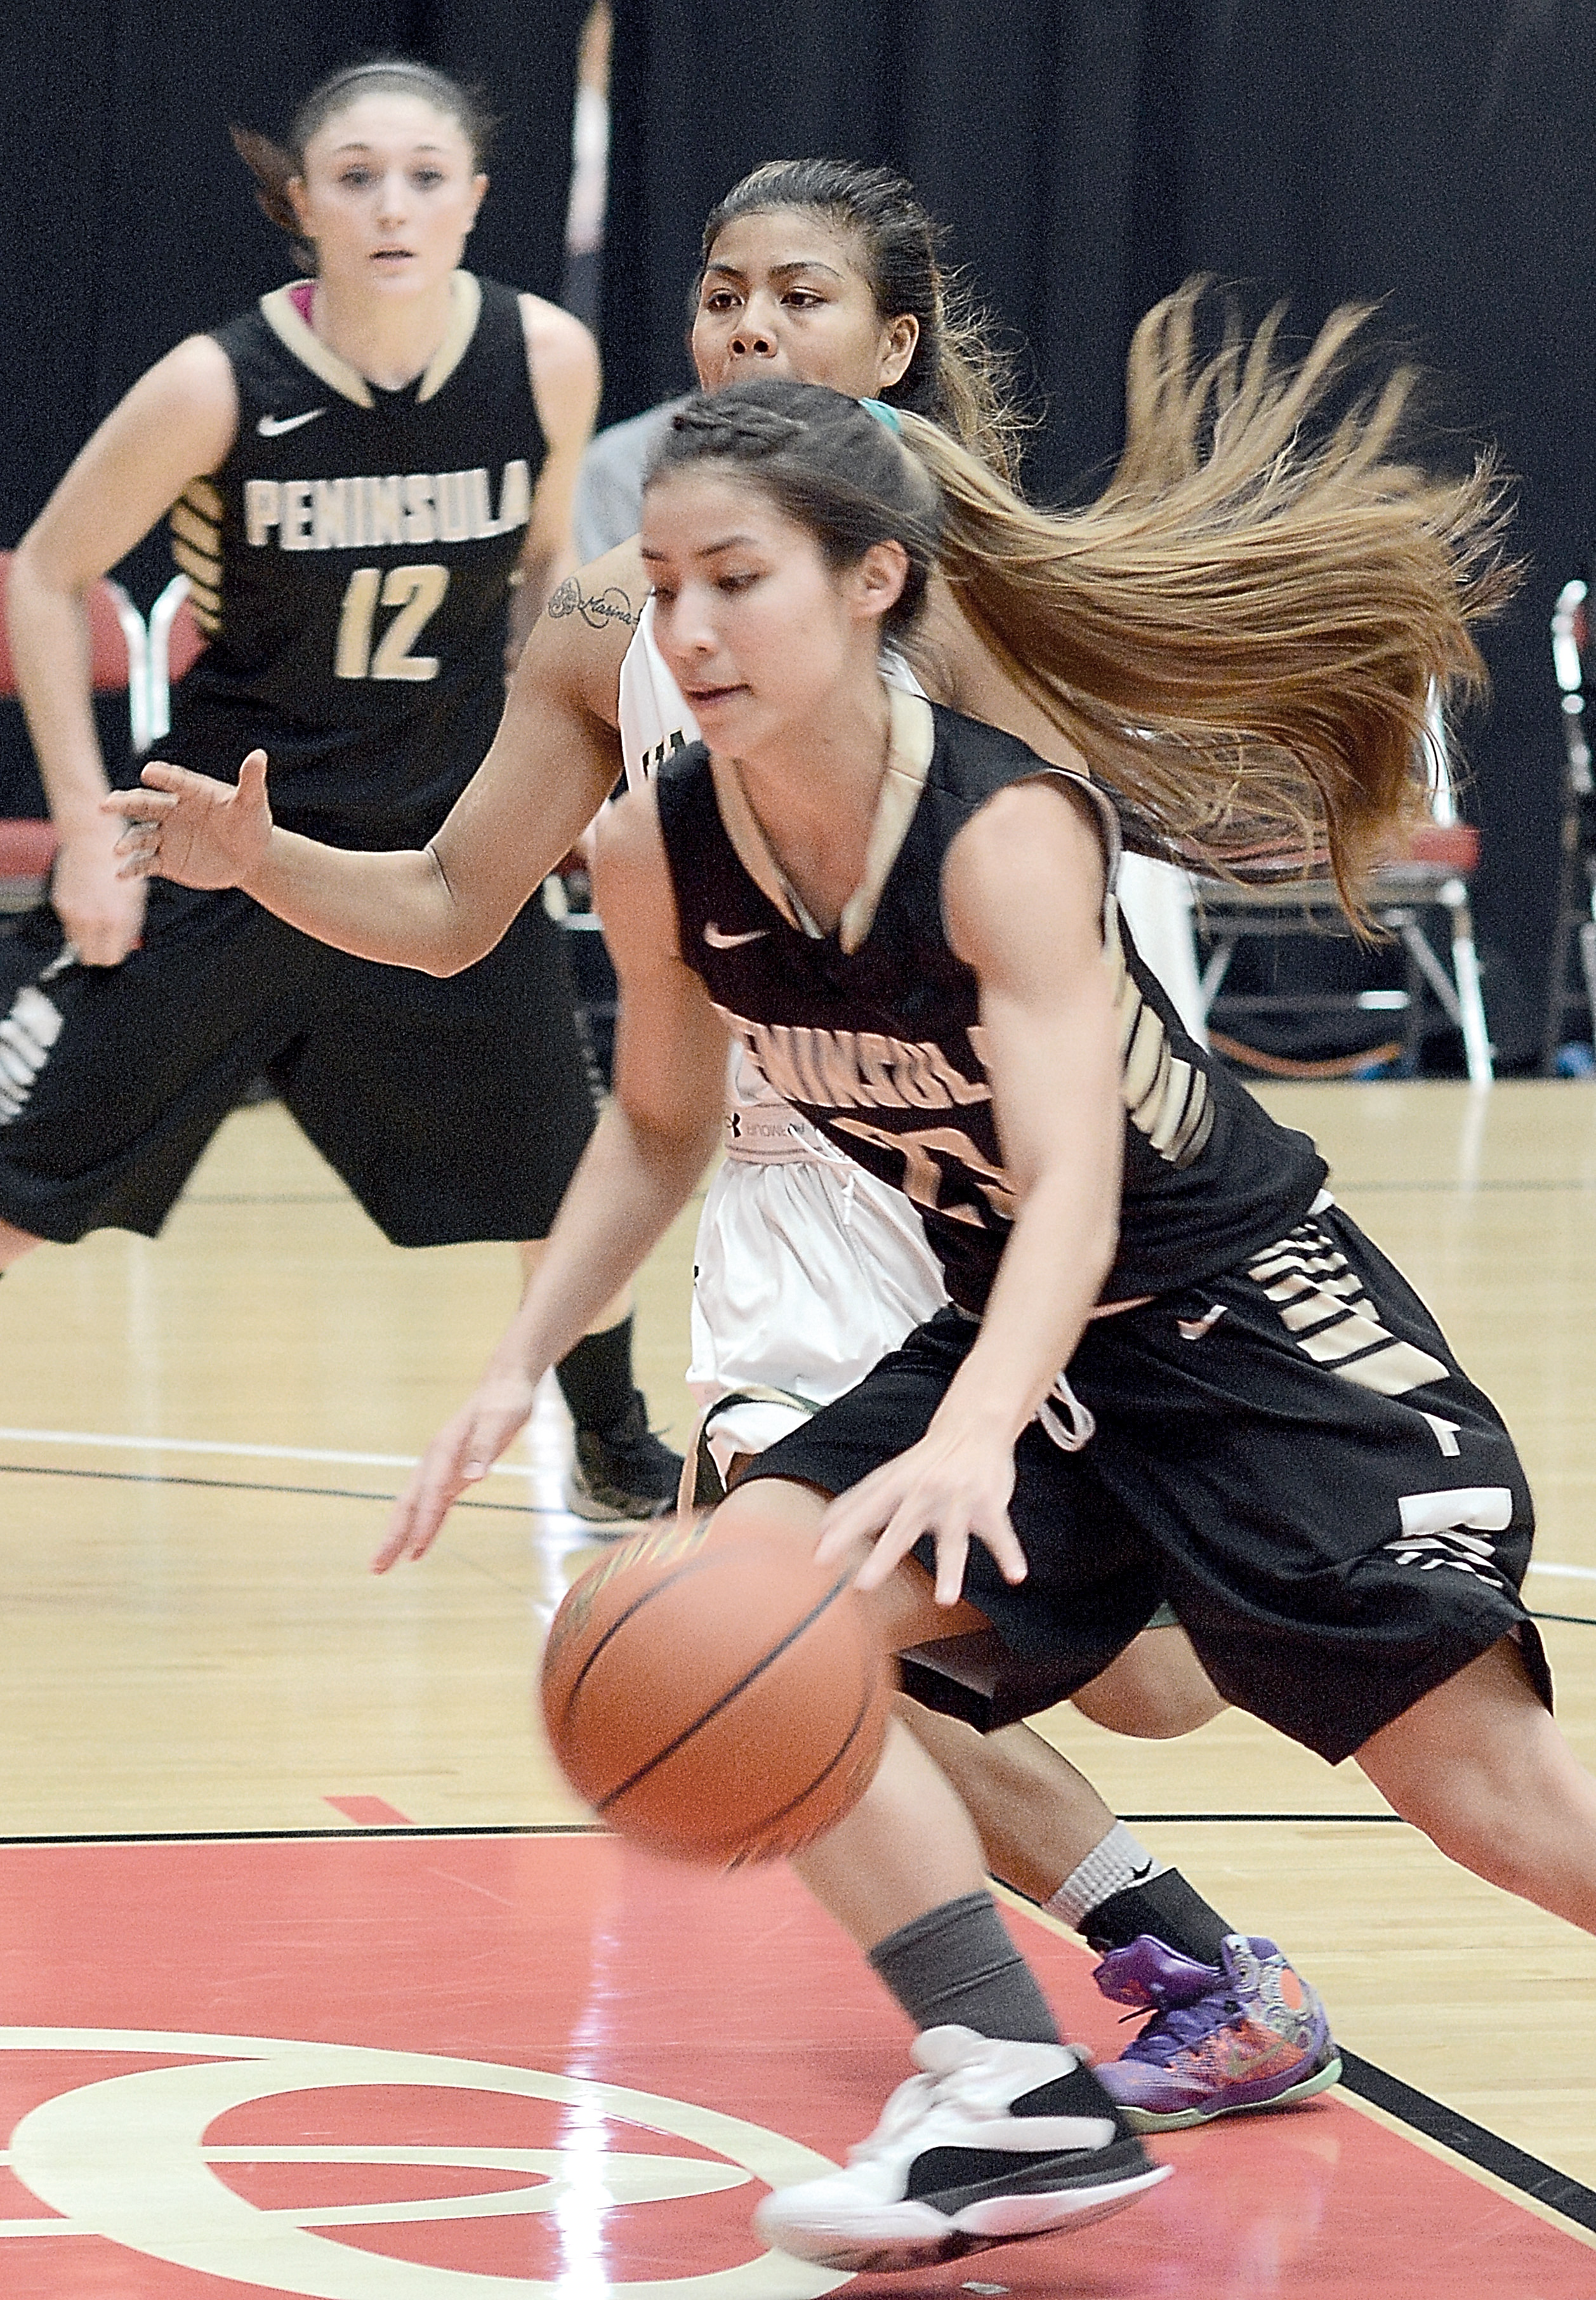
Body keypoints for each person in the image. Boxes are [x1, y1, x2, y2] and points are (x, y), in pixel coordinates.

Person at [103, 159, 1345, 2137]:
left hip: (1000, 1170)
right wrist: (263, 869)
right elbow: (444, 905)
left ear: (893, 348)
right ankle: (1090, 2022)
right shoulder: (610, 610)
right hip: (790, 1187)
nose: (749, 331)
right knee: (781, 1637)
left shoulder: (927, 587)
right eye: (719, 296)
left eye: (801, 300)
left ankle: (1162, 1894)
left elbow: (1064, 912)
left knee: (1114, 1682)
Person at [357, 369, 1589, 2273]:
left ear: (868, 585)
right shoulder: (653, 844)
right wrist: (520, 1359)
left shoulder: (1006, 832)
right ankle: (1014, 2092)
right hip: (1020, 1336)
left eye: (736, 581)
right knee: (753, 1606)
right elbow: (659, 1124)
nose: (685, 629)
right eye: (664, 585)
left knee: (1493, 1806)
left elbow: (1079, 1187)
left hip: (1239, 1332)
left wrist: (964, 1426)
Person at [2, 57, 680, 1523]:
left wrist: (580, 771)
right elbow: (48, 574)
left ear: (477, 202)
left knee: (569, 1170)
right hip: (233, 839)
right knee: (21, 1171)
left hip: (444, 846)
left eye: (426, 177)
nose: (392, 206)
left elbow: (550, 582)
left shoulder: (546, 358)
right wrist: (82, 836)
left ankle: (619, 1440)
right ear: (299, 204)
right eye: (357, 177)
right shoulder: (216, 381)